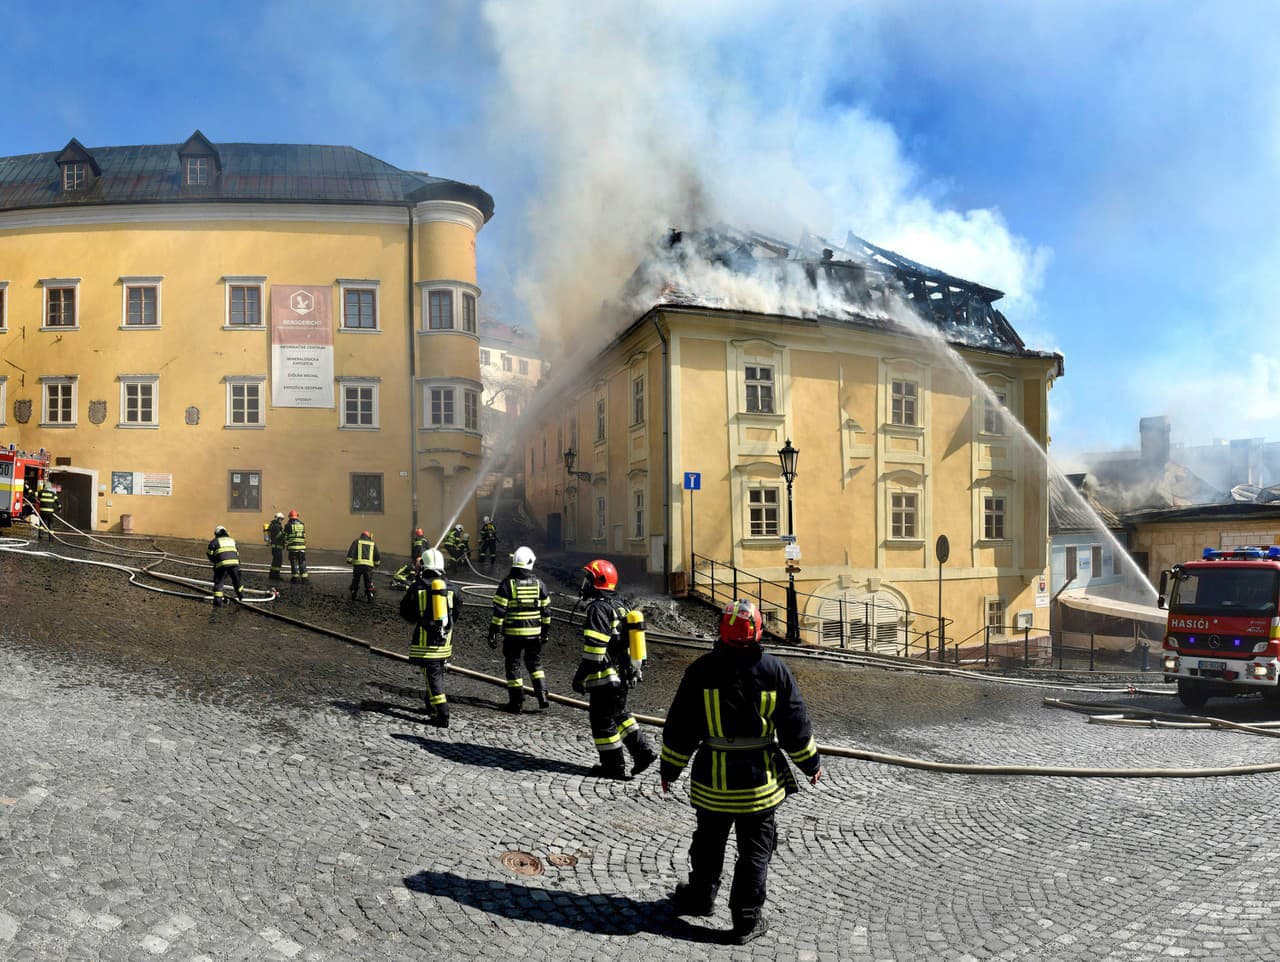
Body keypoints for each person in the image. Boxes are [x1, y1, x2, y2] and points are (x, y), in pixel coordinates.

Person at [660, 598, 823, 945]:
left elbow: (681, 726)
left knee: (707, 842)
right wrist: (810, 764)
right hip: (758, 786)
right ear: (758, 632)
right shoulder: (775, 671)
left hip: (712, 784)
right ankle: (746, 920)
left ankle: (700, 897)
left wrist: (670, 769)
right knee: (755, 852)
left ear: (721, 632)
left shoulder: (700, 670)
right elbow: (795, 725)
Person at [571, 559, 657, 780]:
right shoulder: (622, 605)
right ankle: (642, 752)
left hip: (605, 678)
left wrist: (580, 677)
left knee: (602, 721)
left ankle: (613, 766)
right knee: (619, 714)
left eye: (588, 579)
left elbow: (594, 652)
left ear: (597, 581)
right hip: (624, 674)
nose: (584, 583)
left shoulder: (598, 609)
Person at [488, 546, 551, 713]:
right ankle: (542, 696)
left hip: (513, 635)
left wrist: (493, 632)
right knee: (535, 664)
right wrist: (545, 632)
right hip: (534, 634)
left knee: (513, 665)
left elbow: (499, 611)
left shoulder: (507, 584)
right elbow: (546, 612)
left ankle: (516, 703)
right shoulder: (539, 584)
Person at [400, 548, 457, 728]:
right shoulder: (452, 588)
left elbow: (406, 613)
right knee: (435, 673)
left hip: (426, 643)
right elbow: (457, 613)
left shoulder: (417, 587)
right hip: (445, 643)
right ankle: (430, 705)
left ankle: (443, 713)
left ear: (423, 566)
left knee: (432, 676)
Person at [206, 525, 244, 608]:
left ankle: (217, 603)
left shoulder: (214, 541)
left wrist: (215, 562)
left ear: (216, 533)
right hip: (235, 564)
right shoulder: (232, 540)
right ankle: (241, 597)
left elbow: (209, 554)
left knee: (219, 583)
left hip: (221, 565)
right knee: (237, 581)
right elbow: (237, 553)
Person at [346, 530, 381, 602]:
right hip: (368, 567)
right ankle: (370, 596)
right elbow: (376, 554)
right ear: (369, 536)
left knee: (355, 580)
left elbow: (351, 551)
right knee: (368, 581)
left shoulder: (357, 541)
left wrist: (349, 559)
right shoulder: (372, 543)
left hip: (358, 565)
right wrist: (377, 563)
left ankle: (353, 593)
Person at [284, 509, 308, 583]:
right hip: (302, 548)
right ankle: (304, 579)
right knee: (302, 563)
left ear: (289, 517)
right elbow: (304, 535)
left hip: (293, 548)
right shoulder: (302, 524)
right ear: (297, 516)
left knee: (294, 563)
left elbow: (285, 536)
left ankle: (295, 578)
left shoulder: (288, 525)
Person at [265, 512, 286, 581]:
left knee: (275, 561)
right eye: (281, 519)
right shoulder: (276, 526)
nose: (281, 521)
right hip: (277, 546)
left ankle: (272, 575)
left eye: (282, 519)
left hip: (276, 546)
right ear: (277, 518)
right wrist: (284, 533)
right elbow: (278, 536)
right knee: (278, 562)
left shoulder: (273, 525)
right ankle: (276, 575)